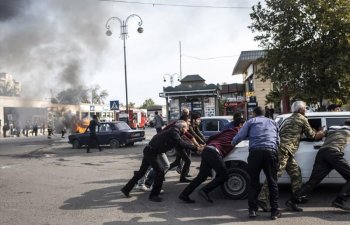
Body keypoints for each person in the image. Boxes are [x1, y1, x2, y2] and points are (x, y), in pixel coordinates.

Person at [258, 101, 325, 212]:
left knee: (296, 173)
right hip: (284, 150)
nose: (306, 110)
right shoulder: (302, 119)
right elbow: (312, 136)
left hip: (284, 149)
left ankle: (295, 200)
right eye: (305, 108)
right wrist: (322, 132)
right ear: (300, 110)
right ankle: (262, 198)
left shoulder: (288, 119)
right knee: (275, 175)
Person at [121, 120, 203, 202]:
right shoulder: (174, 132)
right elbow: (181, 143)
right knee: (159, 172)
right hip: (151, 152)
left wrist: (196, 149)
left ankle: (126, 189)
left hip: (151, 151)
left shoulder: (175, 131)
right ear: (182, 128)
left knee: (142, 172)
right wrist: (196, 148)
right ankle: (154, 195)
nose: (187, 129)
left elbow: (181, 144)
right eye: (186, 128)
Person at [286, 120, 350, 211]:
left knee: (313, 181)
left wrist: (321, 131)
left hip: (322, 153)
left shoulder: (332, 128)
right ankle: (339, 200)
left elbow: (317, 136)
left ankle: (292, 201)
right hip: (333, 153)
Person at [231, 106, 281, 220]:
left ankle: (252, 210)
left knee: (254, 182)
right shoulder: (273, 122)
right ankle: (274, 212)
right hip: (270, 152)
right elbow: (278, 140)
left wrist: (232, 143)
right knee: (272, 182)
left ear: (254, 113)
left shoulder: (251, 121)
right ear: (264, 114)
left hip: (255, 153)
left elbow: (240, 136)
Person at [179, 117, 244, 204]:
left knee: (202, 176)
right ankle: (205, 190)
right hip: (214, 152)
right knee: (224, 175)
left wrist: (205, 145)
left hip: (208, 150)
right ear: (241, 125)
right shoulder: (241, 132)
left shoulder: (229, 130)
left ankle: (184, 194)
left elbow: (212, 137)